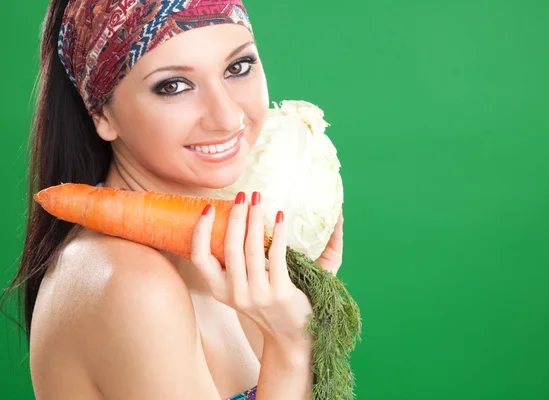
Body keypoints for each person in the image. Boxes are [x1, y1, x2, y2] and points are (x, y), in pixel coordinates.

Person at [5, 1, 344, 399]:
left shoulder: (230, 260)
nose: (226, 116)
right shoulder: (132, 286)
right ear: (102, 114)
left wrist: (301, 301)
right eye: (173, 86)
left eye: (238, 67)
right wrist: (292, 348)